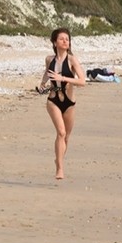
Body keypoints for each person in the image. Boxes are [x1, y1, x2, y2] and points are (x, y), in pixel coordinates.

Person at [36, 27, 85, 180]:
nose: (65, 41)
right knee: (61, 132)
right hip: (53, 100)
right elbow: (47, 72)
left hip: (70, 102)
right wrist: (43, 84)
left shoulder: (72, 60)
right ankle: (60, 168)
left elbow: (82, 81)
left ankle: (59, 158)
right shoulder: (49, 59)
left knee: (67, 137)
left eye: (67, 39)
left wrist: (63, 78)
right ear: (54, 42)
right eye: (62, 39)